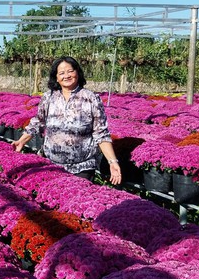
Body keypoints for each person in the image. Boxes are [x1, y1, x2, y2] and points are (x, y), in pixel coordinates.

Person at [11, 56, 122, 185]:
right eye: (61, 73)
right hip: (51, 165)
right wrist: (21, 141)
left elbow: (101, 133)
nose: (66, 76)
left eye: (70, 71)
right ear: (56, 77)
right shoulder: (48, 97)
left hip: (82, 167)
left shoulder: (91, 98)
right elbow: (38, 122)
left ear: (77, 73)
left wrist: (112, 162)